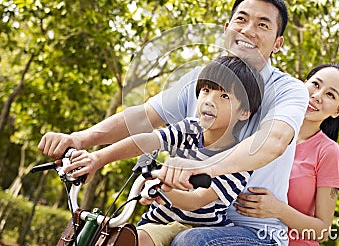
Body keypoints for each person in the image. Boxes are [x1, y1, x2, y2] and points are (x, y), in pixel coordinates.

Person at [38, 0, 309, 244]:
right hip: (171, 215)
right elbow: (143, 119)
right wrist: (82, 142)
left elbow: (273, 140)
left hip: (253, 232)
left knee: (190, 240)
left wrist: (202, 169)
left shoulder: (288, 90)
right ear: (227, 29)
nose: (248, 30)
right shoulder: (201, 80)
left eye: (263, 25)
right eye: (241, 19)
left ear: (278, 43)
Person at [64, 56, 264, 246]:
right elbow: (148, 140)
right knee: (124, 237)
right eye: (205, 90)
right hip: (158, 223)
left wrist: (160, 190)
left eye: (224, 96)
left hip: (202, 230)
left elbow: (196, 200)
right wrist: (98, 158)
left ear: (245, 111)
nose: (210, 100)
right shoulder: (188, 129)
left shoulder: (239, 158)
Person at [232, 64, 339, 245]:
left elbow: (322, 232)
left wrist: (279, 210)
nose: (317, 96)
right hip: (238, 232)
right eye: (316, 85)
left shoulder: (328, 152)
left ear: (338, 110)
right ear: (303, 84)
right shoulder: (266, 128)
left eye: (330, 95)